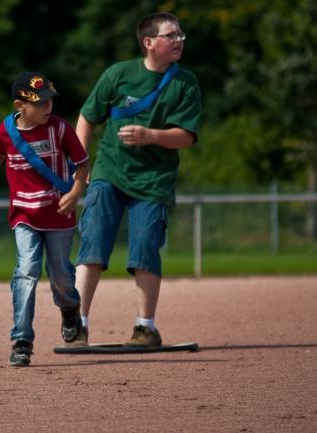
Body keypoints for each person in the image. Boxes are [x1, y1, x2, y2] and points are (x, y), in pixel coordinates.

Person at [74, 12, 201, 347]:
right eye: (171, 35)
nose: (179, 40)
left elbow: (186, 136)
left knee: (145, 247)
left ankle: (145, 327)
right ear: (149, 43)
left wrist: (151, 135)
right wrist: (82, 165)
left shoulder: (185, 83)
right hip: (110, 172)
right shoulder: (119, 74)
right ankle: (77, 324)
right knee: (94, 240)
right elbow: (87, 117)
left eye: (180, 35)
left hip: (153, 180)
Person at [0, 71, 90, 366]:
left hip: (58, 213)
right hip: (23, 212)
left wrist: (75, 193)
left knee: (60, 275)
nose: (48, 107)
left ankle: (70, 310)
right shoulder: (5, 131)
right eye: (40, 103)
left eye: (50, 100)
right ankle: (22, 340)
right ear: (20, 105)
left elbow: (84, 164)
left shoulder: (60, 129)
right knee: (27, 270)